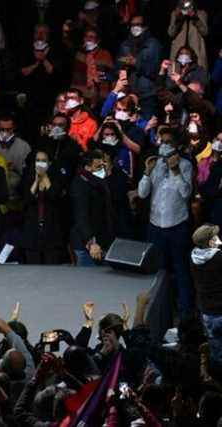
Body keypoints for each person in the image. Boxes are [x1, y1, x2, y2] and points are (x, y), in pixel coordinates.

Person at [138, 137, 193, 315]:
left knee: (181, 271)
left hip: (177, 226)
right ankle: (158, 313)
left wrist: (175, 170)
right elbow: (142, 193)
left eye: (169, 141)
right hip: (155, 226)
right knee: (157, 272)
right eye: (162, 141)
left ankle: (185, 314)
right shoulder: (155, 164)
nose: (165, 145)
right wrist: (147, 172)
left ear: (177, 146)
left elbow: (186, 192)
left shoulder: (186, 165)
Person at [70, 149, 116, 266]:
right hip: (88, 246)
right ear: (88, 167)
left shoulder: (98, 181)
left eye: (102, 165)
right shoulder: (80, 184)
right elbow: (81, 216)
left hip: (103, 240)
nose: (101, 169)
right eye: (98, 167)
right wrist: (91, 242)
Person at [20, 150, 65, 264]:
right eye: (38, 160)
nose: (40, 163)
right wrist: (36, 182)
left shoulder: (56, 178)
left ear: (49, 163)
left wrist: (45, 178)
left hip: (52, 233)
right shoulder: (27, 178)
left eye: (44, 161)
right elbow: (25, 202)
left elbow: (56, 197)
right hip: (32, 233)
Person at [190, 224, 222, 377]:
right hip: (220, 310)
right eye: (215, 237)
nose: (218, 239)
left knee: (215, 348)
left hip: (206, 312)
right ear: (210, 242)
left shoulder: (193, 257)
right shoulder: (218, 257)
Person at [117, 14, 161, 118]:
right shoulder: (125, 45)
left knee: (146, 126)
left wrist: (136, 63)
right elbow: (118, 66)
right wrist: (123, 66)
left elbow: (154, 70)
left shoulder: (153, 44)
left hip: (147, 94)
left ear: (145, 27)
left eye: (138, 24)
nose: (135, 27)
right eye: (132, 25)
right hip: (128, 93)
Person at [71, 28, 114, 109]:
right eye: (86, 36)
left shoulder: (105, 54)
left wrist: (103, 76)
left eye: (92, 37)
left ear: (98, 40)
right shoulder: (78, 53)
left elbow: (112, 75)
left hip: (100, 95)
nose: (88, 39)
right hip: (80, 94)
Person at [168, 0, 208, 69]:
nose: (185, 2)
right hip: (178, 52)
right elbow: (171, 33)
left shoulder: (201, 13)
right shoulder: (175, 13)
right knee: (175, 74)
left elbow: (205, 32)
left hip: (196, 51)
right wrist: (178, 19)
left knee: (196, 76)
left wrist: (195, 18)